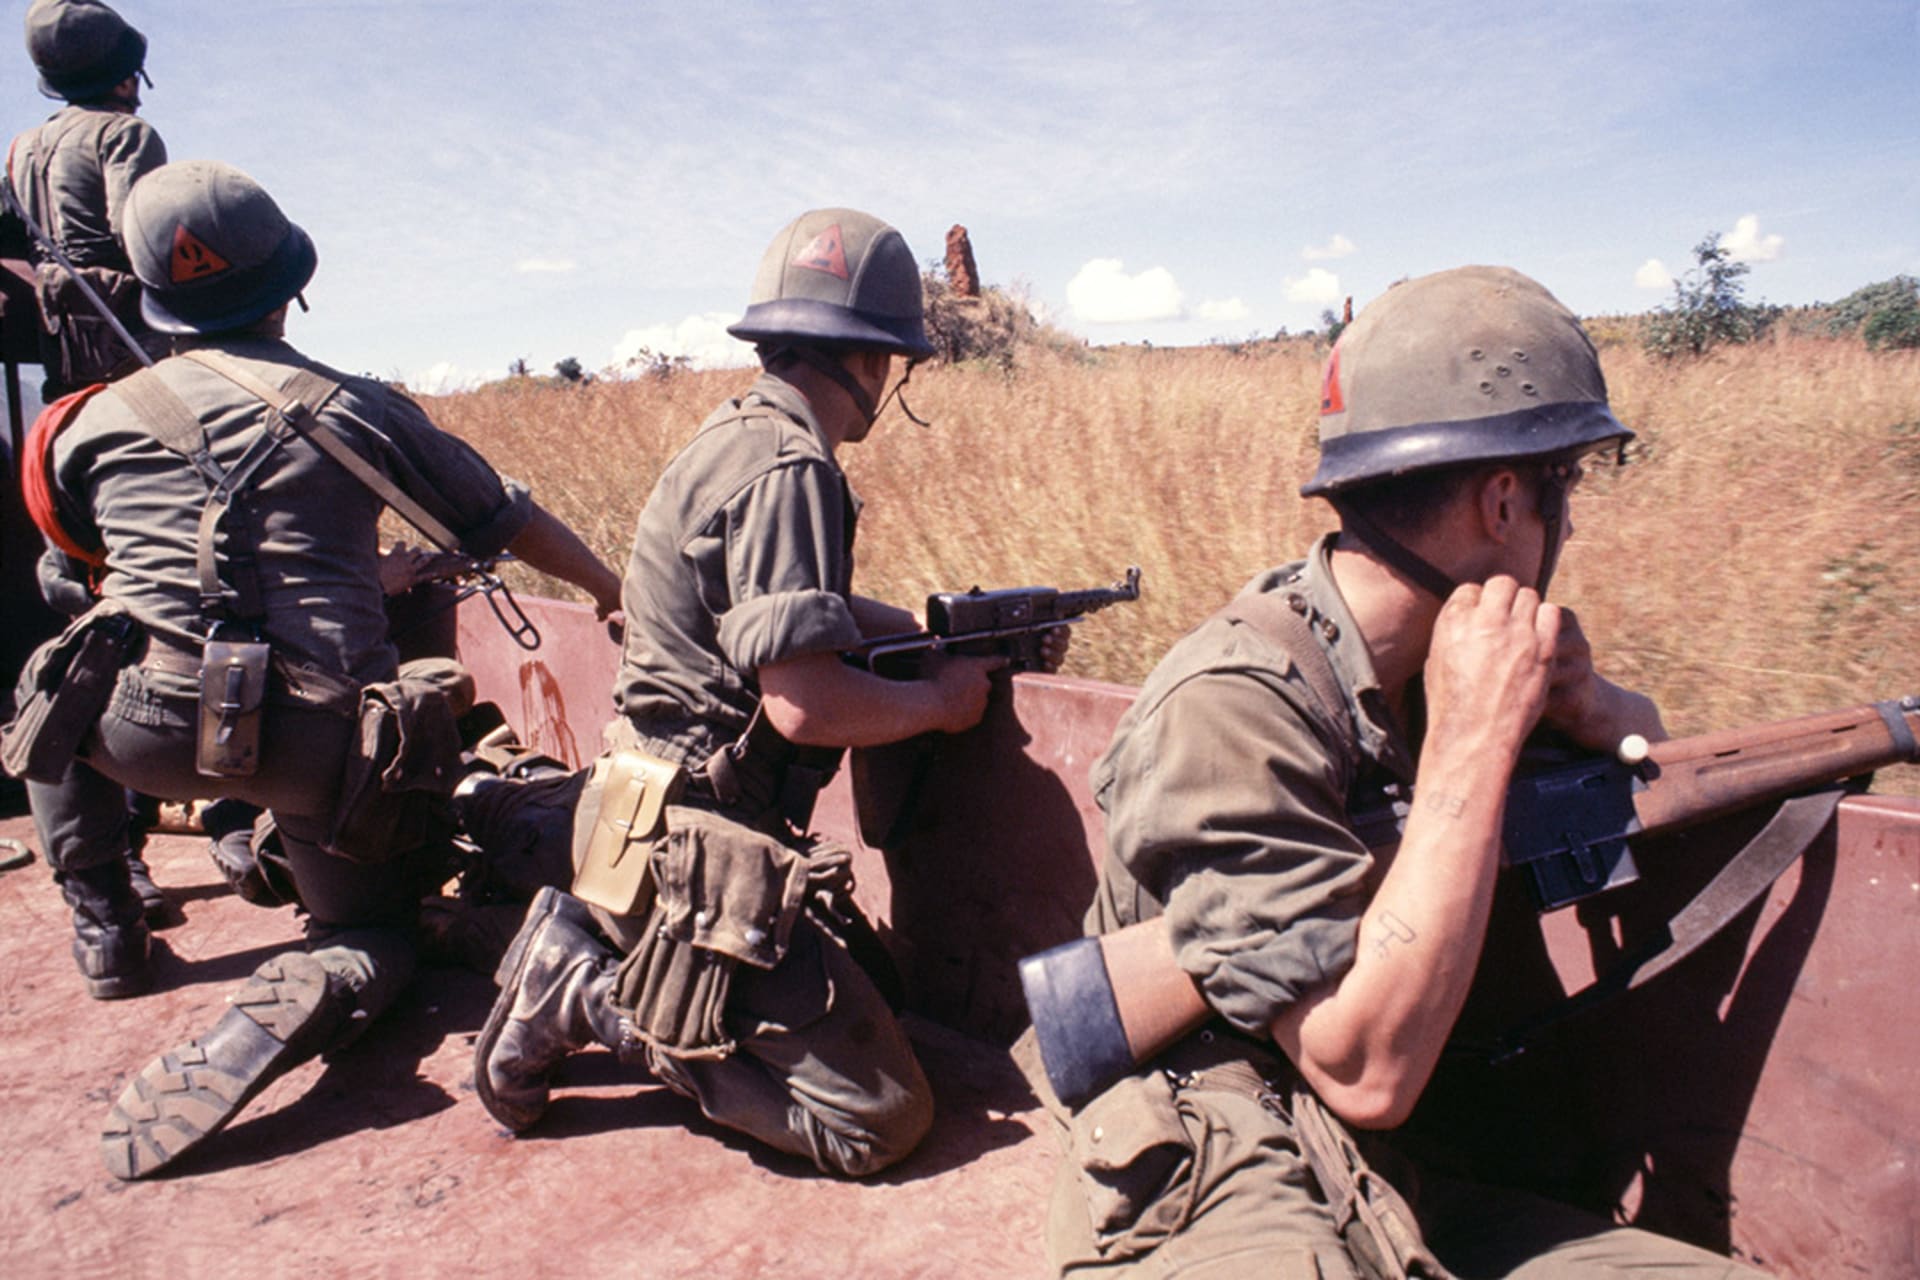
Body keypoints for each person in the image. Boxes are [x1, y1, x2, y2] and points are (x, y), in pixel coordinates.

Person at [1041, 267, 1764, 1276]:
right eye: (1569, 488)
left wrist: (1593, 707)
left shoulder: (1452, 654)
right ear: (1506, 500)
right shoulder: (1226, 707)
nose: (1572, 525)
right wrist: (1471, 741)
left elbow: (1653, 754)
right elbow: (1363, 1067)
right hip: (1211, 1131)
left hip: (1401, 1154)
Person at [11, 158, 622, 1178]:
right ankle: (341, 948)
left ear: (156, 298)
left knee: (57, 678)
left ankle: (106, 924)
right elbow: (505, 520)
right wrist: (611, 589)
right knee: (382, 926)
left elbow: (78, 567)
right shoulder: (360, 408)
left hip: (143, 739)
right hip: (317, 744)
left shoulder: (88, 426)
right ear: (292, 282)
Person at [475, 208, 1040, 1177]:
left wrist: (909, 626)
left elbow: (770, 607)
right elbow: (807, 706)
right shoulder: (795, 464)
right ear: (872, 358)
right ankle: (585, 992)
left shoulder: (737, 435)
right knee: (876, 1119)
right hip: (696, 838)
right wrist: (942, 699)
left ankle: (595, 928)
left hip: (636, 804)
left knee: (879, 989)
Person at [4, 0, 165, 396]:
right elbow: (139, 238)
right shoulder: (126, 134)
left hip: (59, 344)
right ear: (124, 81)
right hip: (131, 337)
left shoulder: (21, 149)